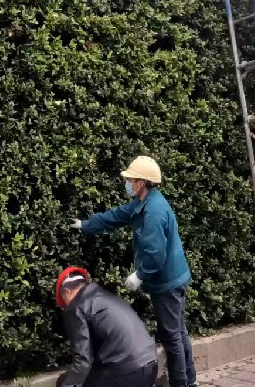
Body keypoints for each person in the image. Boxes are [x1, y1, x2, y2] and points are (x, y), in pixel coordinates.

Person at [68, 156, 197, 387]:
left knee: (172, 335)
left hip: (166, 282)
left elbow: (156, 255)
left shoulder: (153, 211)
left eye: (131, 179)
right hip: (173, 277)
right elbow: (117, 216)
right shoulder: (143, 202)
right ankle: (189, 381)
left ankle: (182, 383)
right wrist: (86, 225)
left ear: (142, 183)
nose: (127, 182)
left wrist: (140, 275)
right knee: (178, 331)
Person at [54, 266, 159, 387]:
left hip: (127, 373)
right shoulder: (106, 296)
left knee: (69, 381)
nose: (66, 306)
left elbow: (83, 361)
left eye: (64, 301)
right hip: (150, 364)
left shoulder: (76, 307)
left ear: (68, 291)